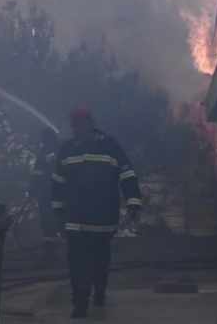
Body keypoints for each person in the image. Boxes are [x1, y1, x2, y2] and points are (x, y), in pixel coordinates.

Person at [51, 106, 142, 319]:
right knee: (76, 260)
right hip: (75, 216)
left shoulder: (109, 145)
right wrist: (58, 209)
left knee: (100, 258)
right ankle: (80, 302)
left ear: (91, 123)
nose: (76, 128)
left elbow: (126, 174)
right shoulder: (67, 149)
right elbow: (57, 181)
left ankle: (99, 291)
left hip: (103, 216)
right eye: (74, 125)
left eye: (80, 124)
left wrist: (133, 202)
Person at [28, 127, 61, 260]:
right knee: (62, 218)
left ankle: (49, 251)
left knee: (48, 219)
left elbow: (38, 173)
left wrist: (31, 190)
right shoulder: (62, 150)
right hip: (63, 191)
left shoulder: (45, 151)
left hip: (47, 191)